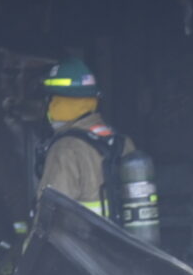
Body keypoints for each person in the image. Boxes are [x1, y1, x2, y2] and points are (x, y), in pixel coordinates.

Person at [36, 57, 133, 217]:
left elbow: (50, 216)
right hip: (122, 234)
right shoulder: (123, 142)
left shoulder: (65, 149)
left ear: (58, 102)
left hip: (84, 235)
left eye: (51, 100)